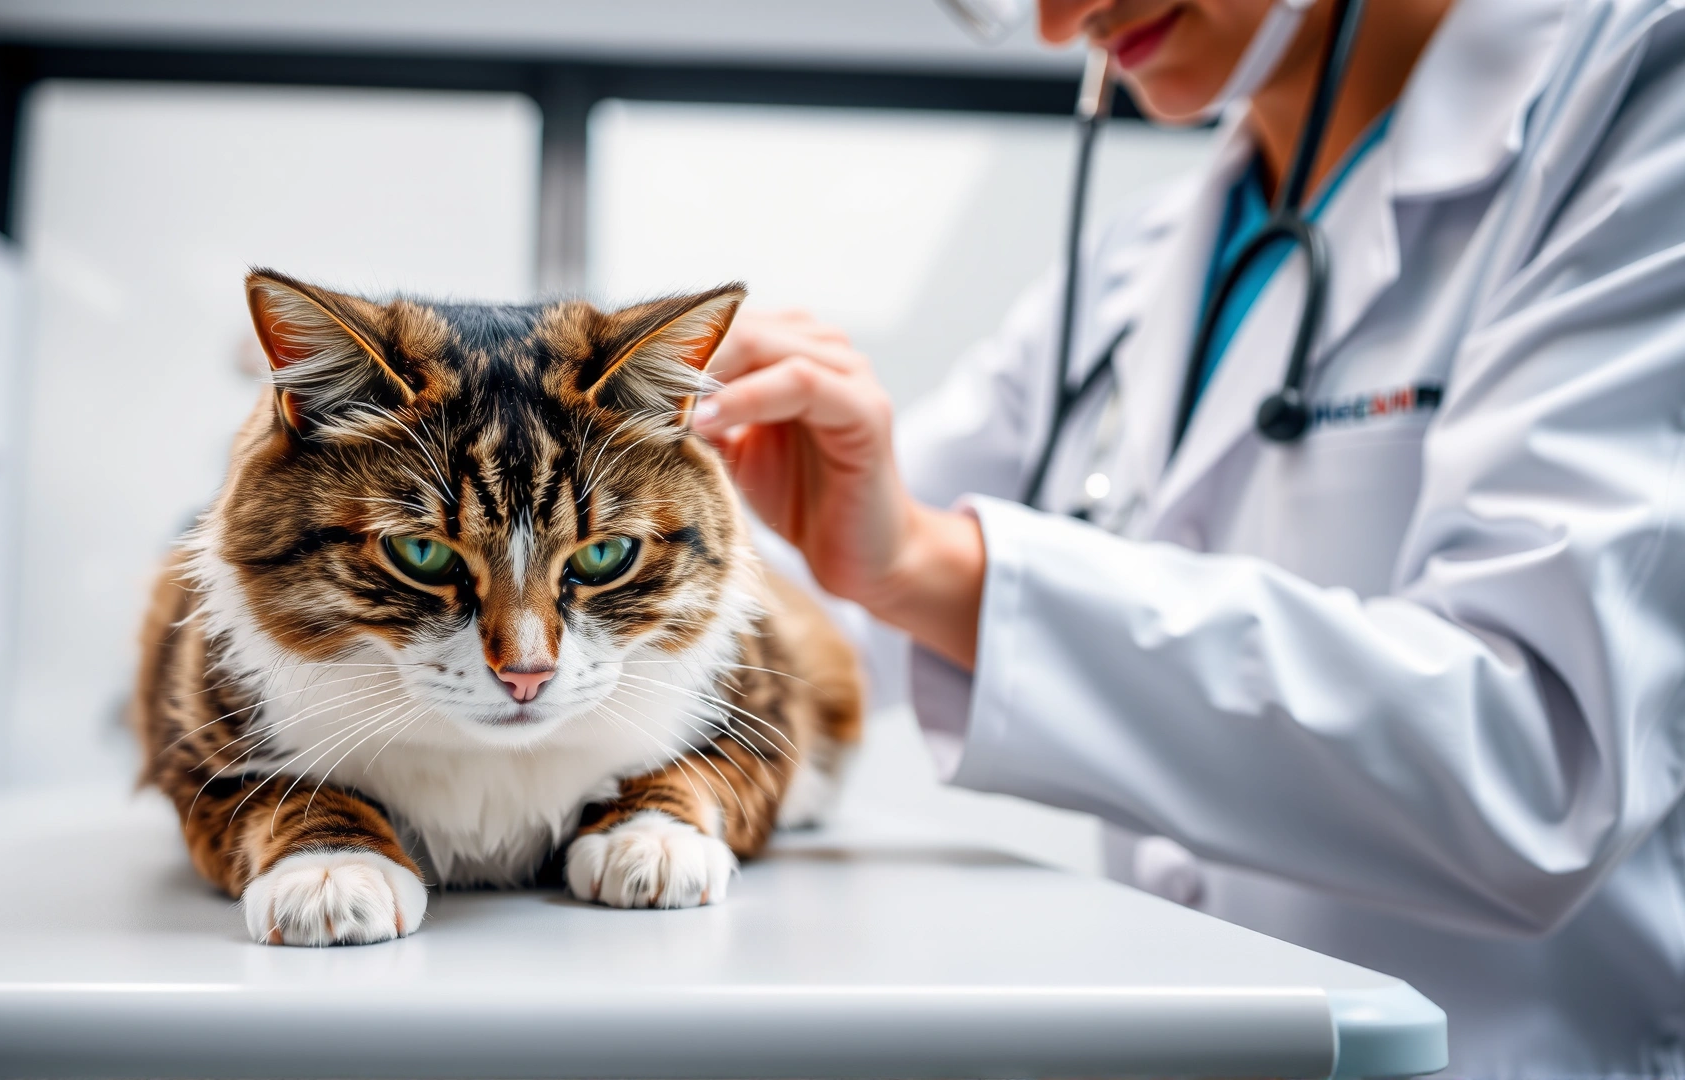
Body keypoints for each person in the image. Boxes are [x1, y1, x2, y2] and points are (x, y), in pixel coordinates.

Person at [693, 0, 1685, 1074]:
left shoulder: (1634, 107)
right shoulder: (1141, 266)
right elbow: (804, 597)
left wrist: (944, 573)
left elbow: (1541, 754)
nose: (1062, 23)